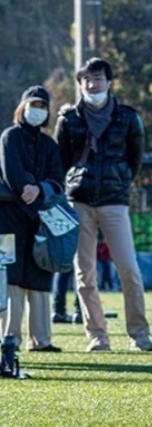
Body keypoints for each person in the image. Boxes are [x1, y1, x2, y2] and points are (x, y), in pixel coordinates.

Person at [54, 57, 152, 352]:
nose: (92, 84)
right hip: (79, 201)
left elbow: (134, 158)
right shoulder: (68, 118)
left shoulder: (128, 117)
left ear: (108, 82)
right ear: (80, 84)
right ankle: (97, 335)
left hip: (114, 200)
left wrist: (121, 181)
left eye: (97, 78)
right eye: (86, 79)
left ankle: (139, 334)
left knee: (129, 269)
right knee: (84, 272)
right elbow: (60, 161)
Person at [0, 85, 63, 352]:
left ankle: (41, 339)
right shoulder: (9, 137)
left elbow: (58, 178)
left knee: (40, 274)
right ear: (22, 107)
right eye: (32, 105)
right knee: (10, 276)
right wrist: (27, 188)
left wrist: (39, 189)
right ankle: (8, 338)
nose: (36, 111)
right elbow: (10, 171)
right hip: (7, 217)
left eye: (41, 107)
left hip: (39, 219)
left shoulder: (50, 145)